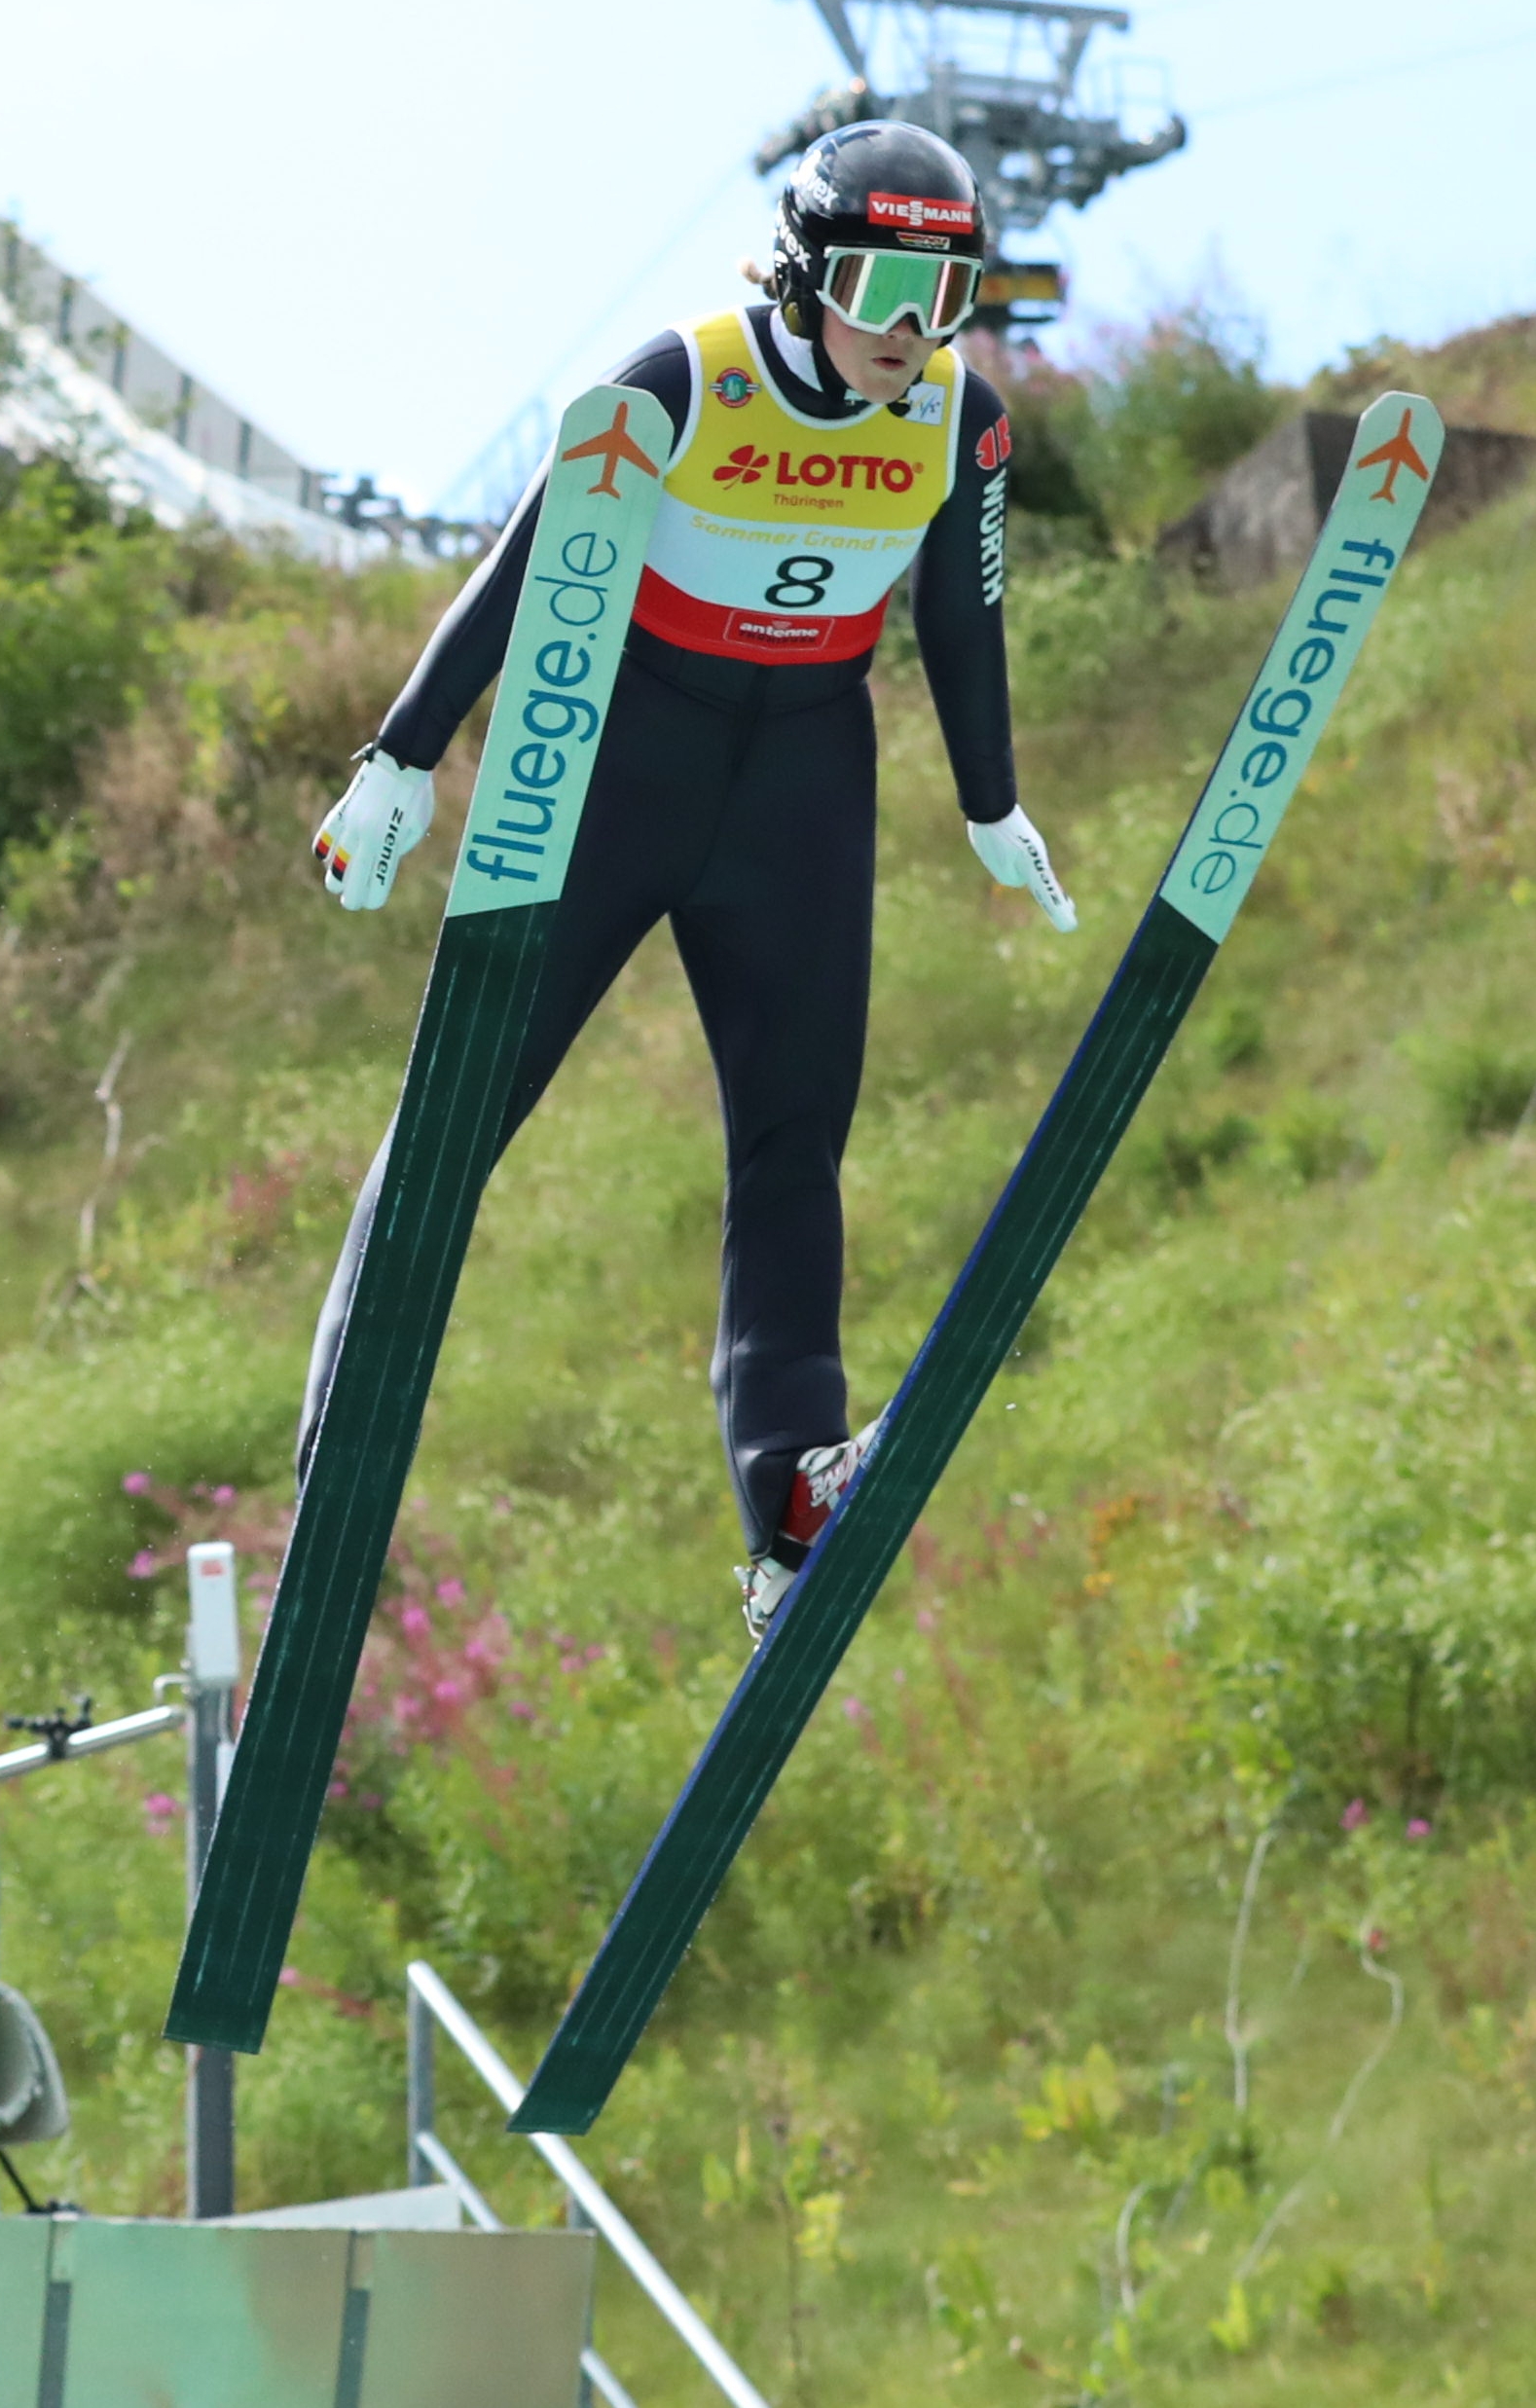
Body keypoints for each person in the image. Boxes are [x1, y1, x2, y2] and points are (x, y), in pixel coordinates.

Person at [307, 121, 1075, 1639]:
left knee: (794, 1146)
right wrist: (397, 757)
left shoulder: (957, 425)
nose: (906, 334)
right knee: (460, 1116)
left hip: (804, 773)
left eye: (943, 296)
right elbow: (525, 561)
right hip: (624, 753)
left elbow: (963, 622)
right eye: (873, 286)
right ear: (799, 274)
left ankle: (787, 1496)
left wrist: (992, 804)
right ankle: (341, 1457)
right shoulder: (682, 377)